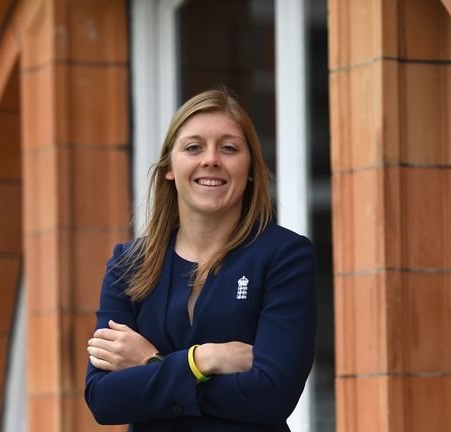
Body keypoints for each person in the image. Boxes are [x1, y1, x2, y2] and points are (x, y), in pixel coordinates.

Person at [84, 88, 317, 431]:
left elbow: (271, 394)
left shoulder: (284, 257)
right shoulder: (129, 264)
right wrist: (203, 360)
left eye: (229, 148)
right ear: (169, 168)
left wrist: (151, 362)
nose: (211, 159)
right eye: (194, 147)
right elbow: (104, 399)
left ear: (250, 169)